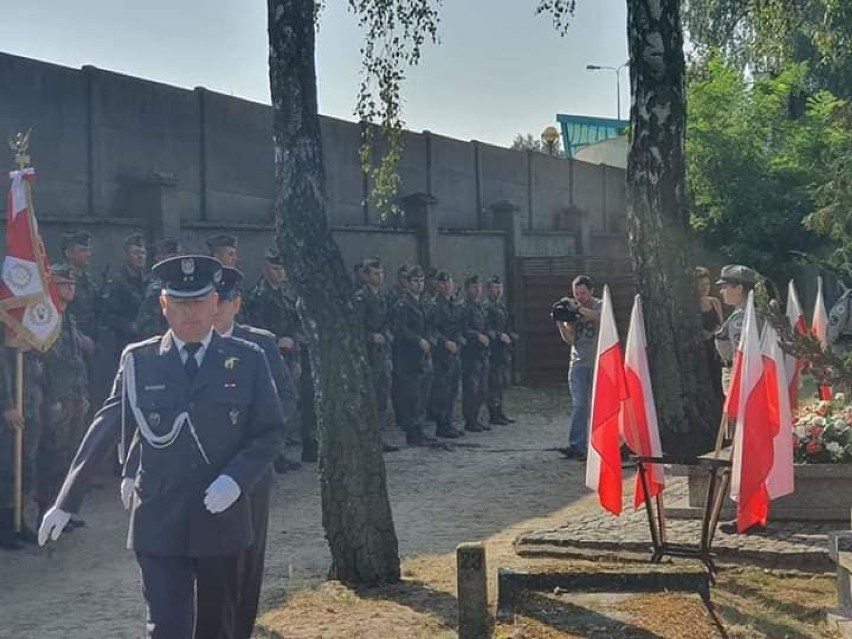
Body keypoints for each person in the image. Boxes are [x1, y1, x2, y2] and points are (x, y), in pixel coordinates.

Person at [38, 255, 285, 638]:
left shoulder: (247, 360)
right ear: (164, 306)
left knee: (216, 626)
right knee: (166, 627)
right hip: (159, 512)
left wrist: (236, 480)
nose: (191, 313)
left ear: (215, 303)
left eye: (200, 302)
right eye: (181, 303)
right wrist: (65, 501)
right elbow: (107, 425)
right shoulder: (140, 361)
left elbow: (269, 432)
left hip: (221, 515)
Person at [244, 247, 313, 464]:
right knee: (272, 403)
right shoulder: (259, 296)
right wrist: (276, 341)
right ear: (266, 269)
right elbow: (253, 330)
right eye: (275, 269)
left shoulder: (286, 295)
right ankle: (273, 454)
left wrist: (296, 351)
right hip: (267, 355)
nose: (280, 273)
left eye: (282, 269)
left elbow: (295, 325)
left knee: (290, 401)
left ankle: (282, 450)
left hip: (289, 354)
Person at [556, 275, 601, 461]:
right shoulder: (572, 310)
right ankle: (577, 444)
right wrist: (559, 321)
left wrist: (578, 309)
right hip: (578, 363)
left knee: (599, 406)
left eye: (583, 293)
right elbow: (571, 340)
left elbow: (599, 317)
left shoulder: (599, 304)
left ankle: (600, 444)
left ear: (591, 291)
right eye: (577, 293)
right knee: (580, 405)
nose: (580, 296)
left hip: (598, 362)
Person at [391, 265, 436, 446]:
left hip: (423, 357)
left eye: (422, 281)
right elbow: (400, 330)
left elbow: (429, 327)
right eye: (415, 281)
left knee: (422, 393)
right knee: (411, 396)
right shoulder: (402, 305)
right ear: (407, 283)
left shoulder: (422, 304)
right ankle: (412, 432)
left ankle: (419, 429)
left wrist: (429, 339)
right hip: (408, 357)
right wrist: (418, 340)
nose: (419, 284)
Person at [353, 258, 395, 432]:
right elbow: (354, 327)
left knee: (382, 396)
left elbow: (386, 323)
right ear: (366, 276)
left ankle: (379, 434)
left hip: (382, 353)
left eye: (381, 273)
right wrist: (370, 336)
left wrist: (387, 336)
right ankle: (368, 435)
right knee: (369, 397)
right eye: (375, 273)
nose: (380, 277)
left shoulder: (381, 298)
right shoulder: (361, 298)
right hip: (368, 355)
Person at [427, 271, 464, 438]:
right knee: (441, 391)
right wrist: (444, 342)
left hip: (454, 353)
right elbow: (431, 330)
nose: (447, 286)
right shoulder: (434, 305)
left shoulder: (454, 304)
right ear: (437, 285)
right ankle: (442, 424)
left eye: (449, 282)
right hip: (441, 355)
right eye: (443, 283)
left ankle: (449, 422)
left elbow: (458, 326)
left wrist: (459, 339)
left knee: (452, 390)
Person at [100, 233, 148, 358]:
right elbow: (107, 316)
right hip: (125, 343)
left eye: (143, 253)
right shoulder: (117, 282)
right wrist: (129, 326)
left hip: (147, 342)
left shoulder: (147, 281)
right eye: (136, 253)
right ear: (126, 256)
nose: (140, 257)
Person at [459, 275, 491, 433]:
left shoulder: (481, 307)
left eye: (478, 287)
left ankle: (476, 418)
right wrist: (476, 336)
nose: (477, 290)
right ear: (467, 289)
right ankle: (470, 420)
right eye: (473, 287)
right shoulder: (464, 307)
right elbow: (462, 329)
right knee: (471, 388)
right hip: (470, 353)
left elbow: (486, 326)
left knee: (482, 388)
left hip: (482, 353)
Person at [484, 275, 517, 425]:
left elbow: (507, 326)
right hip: (493, 350)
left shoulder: (501, 306)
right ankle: (493, 413)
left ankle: (500, 411)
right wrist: (498, 335)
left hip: (504, 349)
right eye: (494, 288)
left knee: (501, 382)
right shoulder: (486, 307)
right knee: (494, 382)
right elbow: (486, 328)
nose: (497, 291)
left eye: (499, 287)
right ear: (488, 289)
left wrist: (511, 335)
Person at [136, 238, 184, 339]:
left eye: (178, 256)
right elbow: (147, 326)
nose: (176, 259)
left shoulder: (185, 282)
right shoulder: (155, 288)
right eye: (171, 256)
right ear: (159, 257)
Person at [696, 266, 724, 410]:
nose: (703, 288)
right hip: (699, 352)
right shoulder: (690, 306)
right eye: (700, 285)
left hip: (714, 348)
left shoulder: (714, 302)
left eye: (706, 285)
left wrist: (711, 333)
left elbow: (721, 326)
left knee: (718, 383)